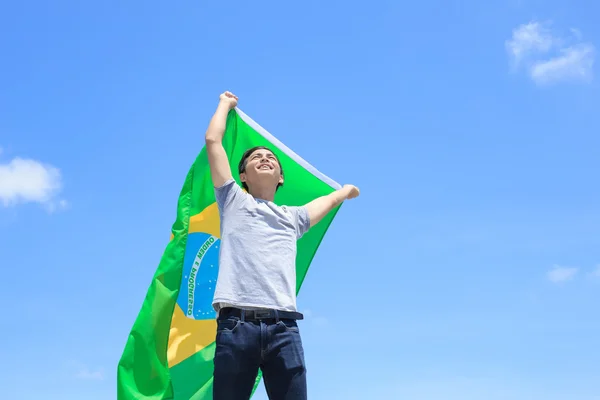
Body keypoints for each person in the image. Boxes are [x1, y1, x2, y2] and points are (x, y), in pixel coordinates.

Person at [205, 91, 360, 400]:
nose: (265, 159)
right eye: (256, 158)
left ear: (280, 178)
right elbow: (213, 141)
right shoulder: (233, 200)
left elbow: (325, 202)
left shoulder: (293, 218)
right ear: (243, 176)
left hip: (284, 328)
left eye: (271, 158)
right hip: (236, 326)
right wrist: (225, 104)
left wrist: (343, 192)